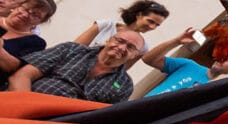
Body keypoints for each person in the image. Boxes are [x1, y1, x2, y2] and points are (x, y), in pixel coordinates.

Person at [6, 31, 144, 104]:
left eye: (130, 47)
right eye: (119, 41)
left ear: (134, 55)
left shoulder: (125, 85)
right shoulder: (71, 49)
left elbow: (103, 117)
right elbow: (22, 76)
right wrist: (26, 107)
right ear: (109, 40)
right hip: (26, 103)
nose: (121, 48)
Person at [140, 28, 228, 96]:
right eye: (223, 56)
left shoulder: (218, 91)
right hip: (137, 109)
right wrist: (177, 41)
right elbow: (148, 59)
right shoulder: (189, 65)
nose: (222, 59)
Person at [0, 0, 57, 90]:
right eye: (25, 9)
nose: (25, 15)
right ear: (17, 7)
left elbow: (13, 67)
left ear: (41, 22)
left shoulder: (36, 43)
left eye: (35, 15)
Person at [73, 0, 169, 52]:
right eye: (150, 21)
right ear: (139, 15)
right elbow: (73, 48)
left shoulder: (142, 47)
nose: (152, 27)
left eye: (157, 25)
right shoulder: (106, 25)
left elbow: (119, 73)